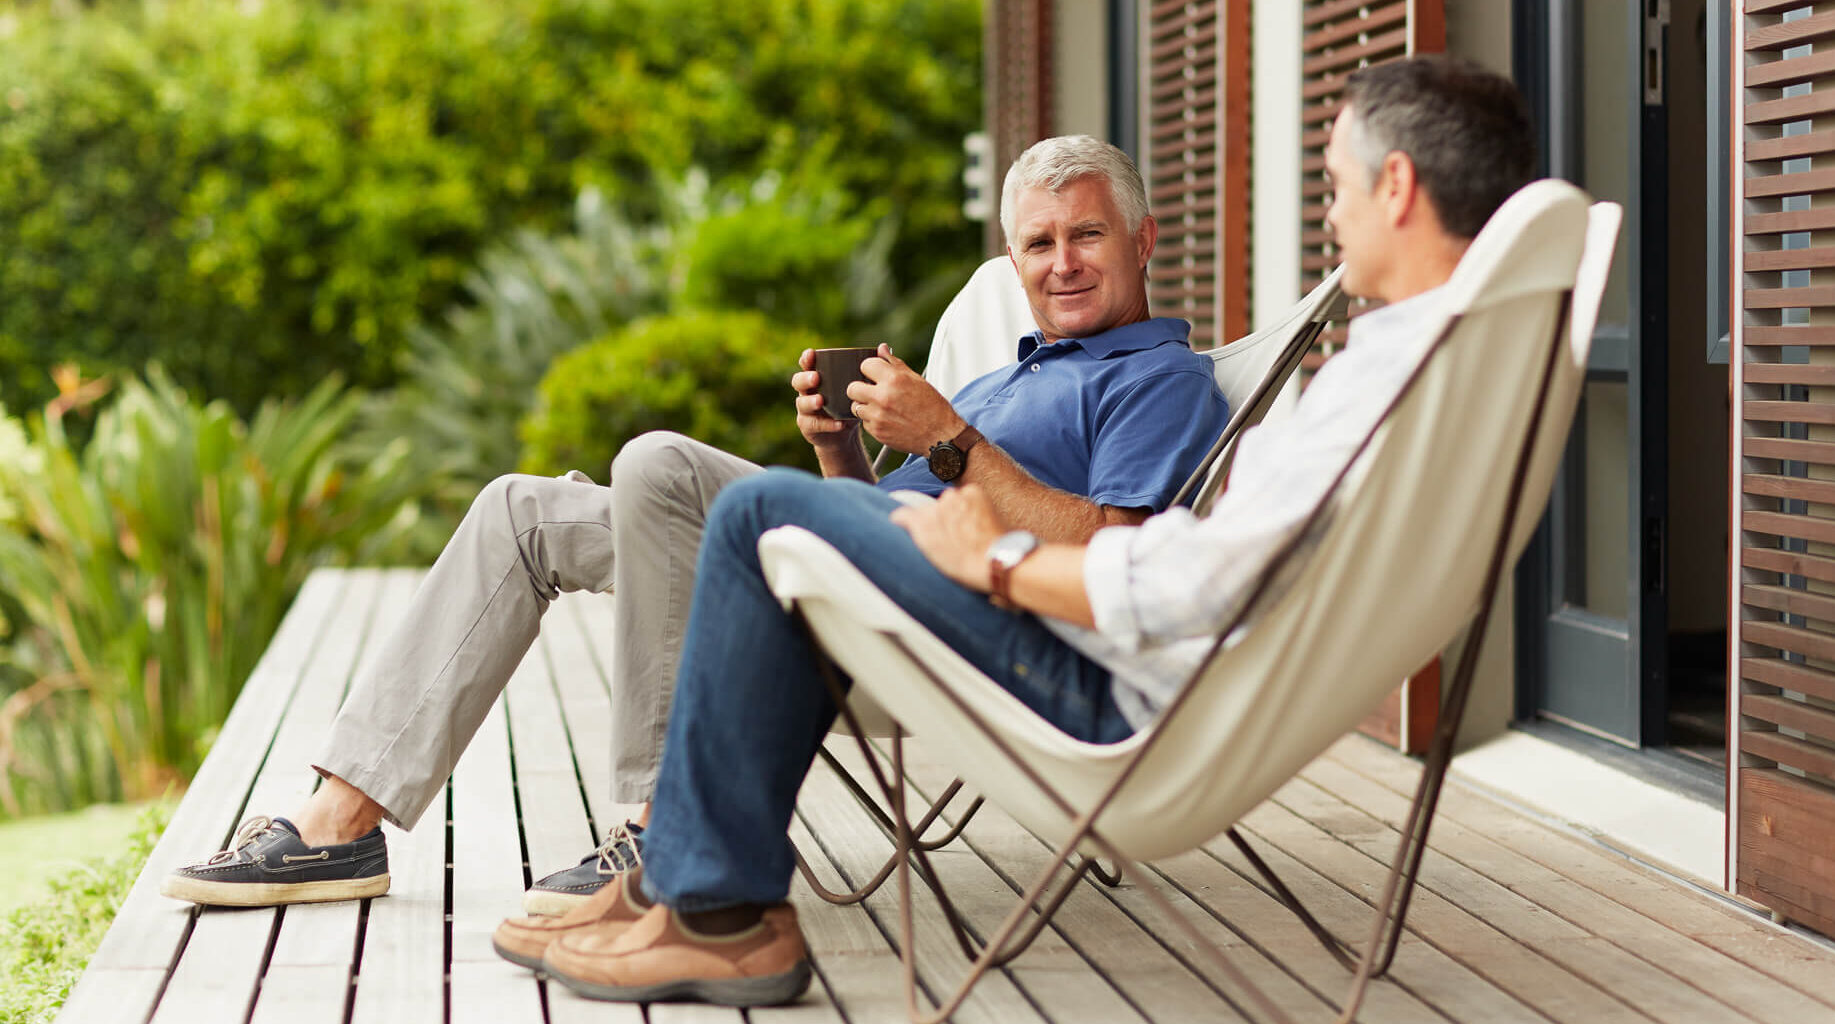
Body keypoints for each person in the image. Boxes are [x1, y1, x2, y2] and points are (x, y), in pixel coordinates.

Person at [494, 55, 1536, 1007]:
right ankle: (694, 884)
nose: (1330, 214)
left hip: (1103, 687)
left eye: (1338, 186)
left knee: (754, 515)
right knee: (728, 503)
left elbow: (1189, 577)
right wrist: (881, 469)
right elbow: (1217, 566)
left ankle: (708, 905)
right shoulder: (1421, 377)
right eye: (1039, 243)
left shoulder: (1352, 391)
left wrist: (992, 554)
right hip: (1088, 643)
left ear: (1396, 188)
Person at [161, 135, 1230, 912]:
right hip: (856, 564)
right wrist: (836, 451)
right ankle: (340, 823)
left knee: (658, 465)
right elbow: (901, 495)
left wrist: (949, 435)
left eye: (1086, 235)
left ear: (1141, 240)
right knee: (520, 511)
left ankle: (656, 827)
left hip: (959, 619)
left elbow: (1114, 552)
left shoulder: (1161, 381)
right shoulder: (1015, 370)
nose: (1062, 263)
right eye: (1038, 244)